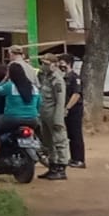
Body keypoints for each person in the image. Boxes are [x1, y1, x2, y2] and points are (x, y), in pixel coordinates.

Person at [37, 52, 68, 180]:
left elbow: (60, 101)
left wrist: (58, 118)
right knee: (48, 142)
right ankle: (52, 166)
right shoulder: (44, 76)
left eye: (46, 64)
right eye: (42, 63)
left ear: (54, 65)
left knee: (59, 141)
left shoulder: (57, 79)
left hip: (54, 114)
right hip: (44, 114)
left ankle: (61, 167)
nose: (43, 66)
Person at [61, 54, 85, 169]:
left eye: (61, 63)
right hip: (68, 109)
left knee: (76, 134)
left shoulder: (75, 78)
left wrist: (67, 108)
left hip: (75, 109)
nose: (60, 65)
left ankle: (79, 160)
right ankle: (74, 158)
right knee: (71, 135)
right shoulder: (64, 77)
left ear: (68, 63)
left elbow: (76, 94)